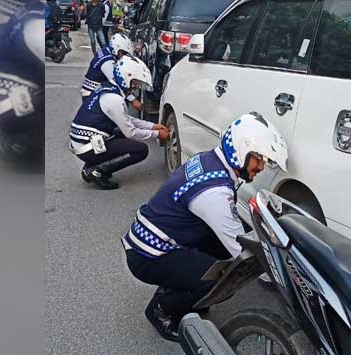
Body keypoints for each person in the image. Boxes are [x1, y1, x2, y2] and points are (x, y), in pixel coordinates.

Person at [122, 112, 289, 341]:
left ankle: (179, 287)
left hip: (154, 239)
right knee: (223, 280)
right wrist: (285, 276)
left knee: (225, 244)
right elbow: (241, 250)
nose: (261, 166)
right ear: (241, 150)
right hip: (148, 255)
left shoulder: (211, 160)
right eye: (259, 158)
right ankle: (161, 310)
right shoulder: (215, 193)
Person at [70, 55, 169, 190]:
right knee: (141, 150)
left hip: (86, 141)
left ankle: (90, 166)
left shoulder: (109, 87)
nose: (135, 87)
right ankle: (97, 171)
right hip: (87, 147)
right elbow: (131, 132)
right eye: (134, 83)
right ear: (125, 77)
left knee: (121, 132)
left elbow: (126, 119)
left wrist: (152, 126)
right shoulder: (114, 99)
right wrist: (157, 134)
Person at [0, 0, 44, 167]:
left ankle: (15, 134)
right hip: (3, 101)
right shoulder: (35, 25)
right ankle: (21, 143)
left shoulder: (25, 12)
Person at [81, 32, 143, 112]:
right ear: (117, 50)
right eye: (123, 53)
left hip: (96, 90)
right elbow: (118, 83)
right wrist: (133, 100)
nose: (124, 56)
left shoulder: (108, 50)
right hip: (92, 93)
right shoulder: (107, 62)